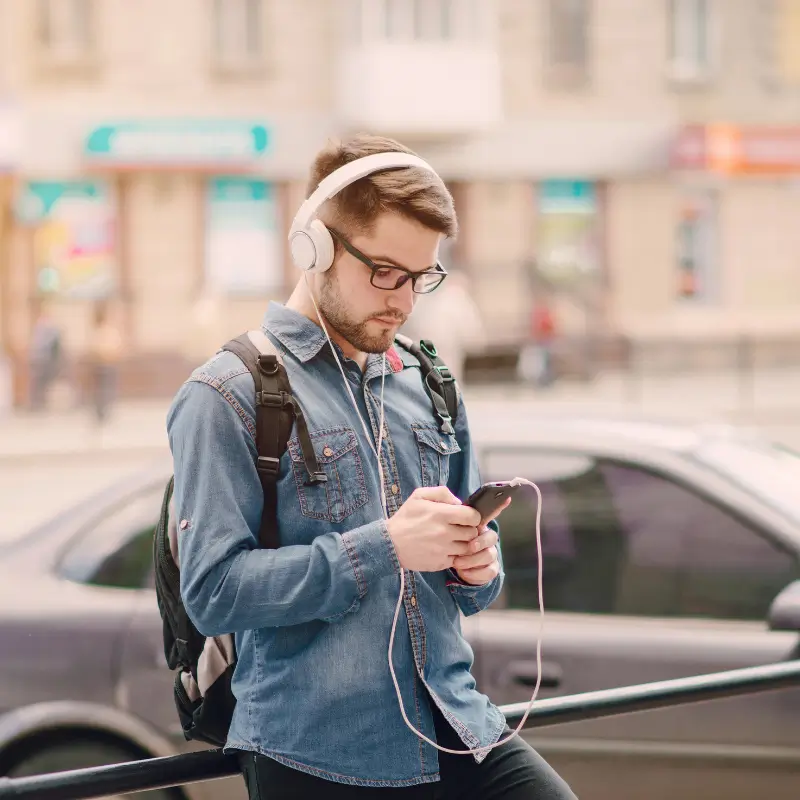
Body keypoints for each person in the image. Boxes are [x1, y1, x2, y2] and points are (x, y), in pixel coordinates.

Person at [167, 134, 576, 800]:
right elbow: (214, 593)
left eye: (421, 277)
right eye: (385, 272)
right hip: (316, 755)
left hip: (456, 724)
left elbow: (469, 588)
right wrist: (384, 547)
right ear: (316, 249)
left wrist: (477, 564)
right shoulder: (226, 394)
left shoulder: (429, 379)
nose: (405, 301)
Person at [401, 269, 487, 386]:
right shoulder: (455, 299)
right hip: (425, 362)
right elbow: (474, 338)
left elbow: (474, 339)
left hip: (438, 362)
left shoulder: (454, 299)